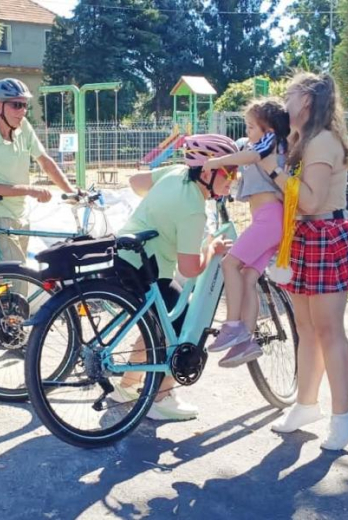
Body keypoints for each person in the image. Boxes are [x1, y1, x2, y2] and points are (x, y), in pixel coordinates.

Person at [261, 72, 348, 451]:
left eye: (290, 93)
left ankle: (344, 414)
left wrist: (272, 167)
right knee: (306, 327)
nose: (284, 99)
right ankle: (306, 405)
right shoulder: (302, 139)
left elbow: (311, 201)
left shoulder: (322, 141)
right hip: (304, 236)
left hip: (325, 234)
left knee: (328, 330)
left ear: (307, 100)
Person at [112, 134, 237, 421]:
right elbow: (192, 268)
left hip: (123, 259)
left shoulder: (175, 173)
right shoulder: (193, 209)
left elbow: (136, 183)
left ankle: (126, 388)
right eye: (229, 171)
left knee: (157, 320)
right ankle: (161, 398)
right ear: (206, 172)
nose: (233, 179)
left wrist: (159, 209)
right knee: (180, 324)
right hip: (147, 269)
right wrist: (211, 249)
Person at [202, 98, 291, 368]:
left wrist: (216, 161)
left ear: (269, 129)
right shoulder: (265, 145)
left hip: (269, 219)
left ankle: (232, 326)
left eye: (252, 127)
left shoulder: (270, 144)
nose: (247, 132)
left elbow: (252, 155)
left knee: (230, 263)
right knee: (248, 275)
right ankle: (246, 342)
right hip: (269, 220)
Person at [0, 78, 76, 262]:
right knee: (16, 279)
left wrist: (72, 192)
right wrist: (30, 190)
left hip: (21, 214)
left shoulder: (23, 126)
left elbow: (45, 161)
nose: (23, 111)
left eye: (25, 105)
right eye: (17, 105)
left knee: (11, 281)